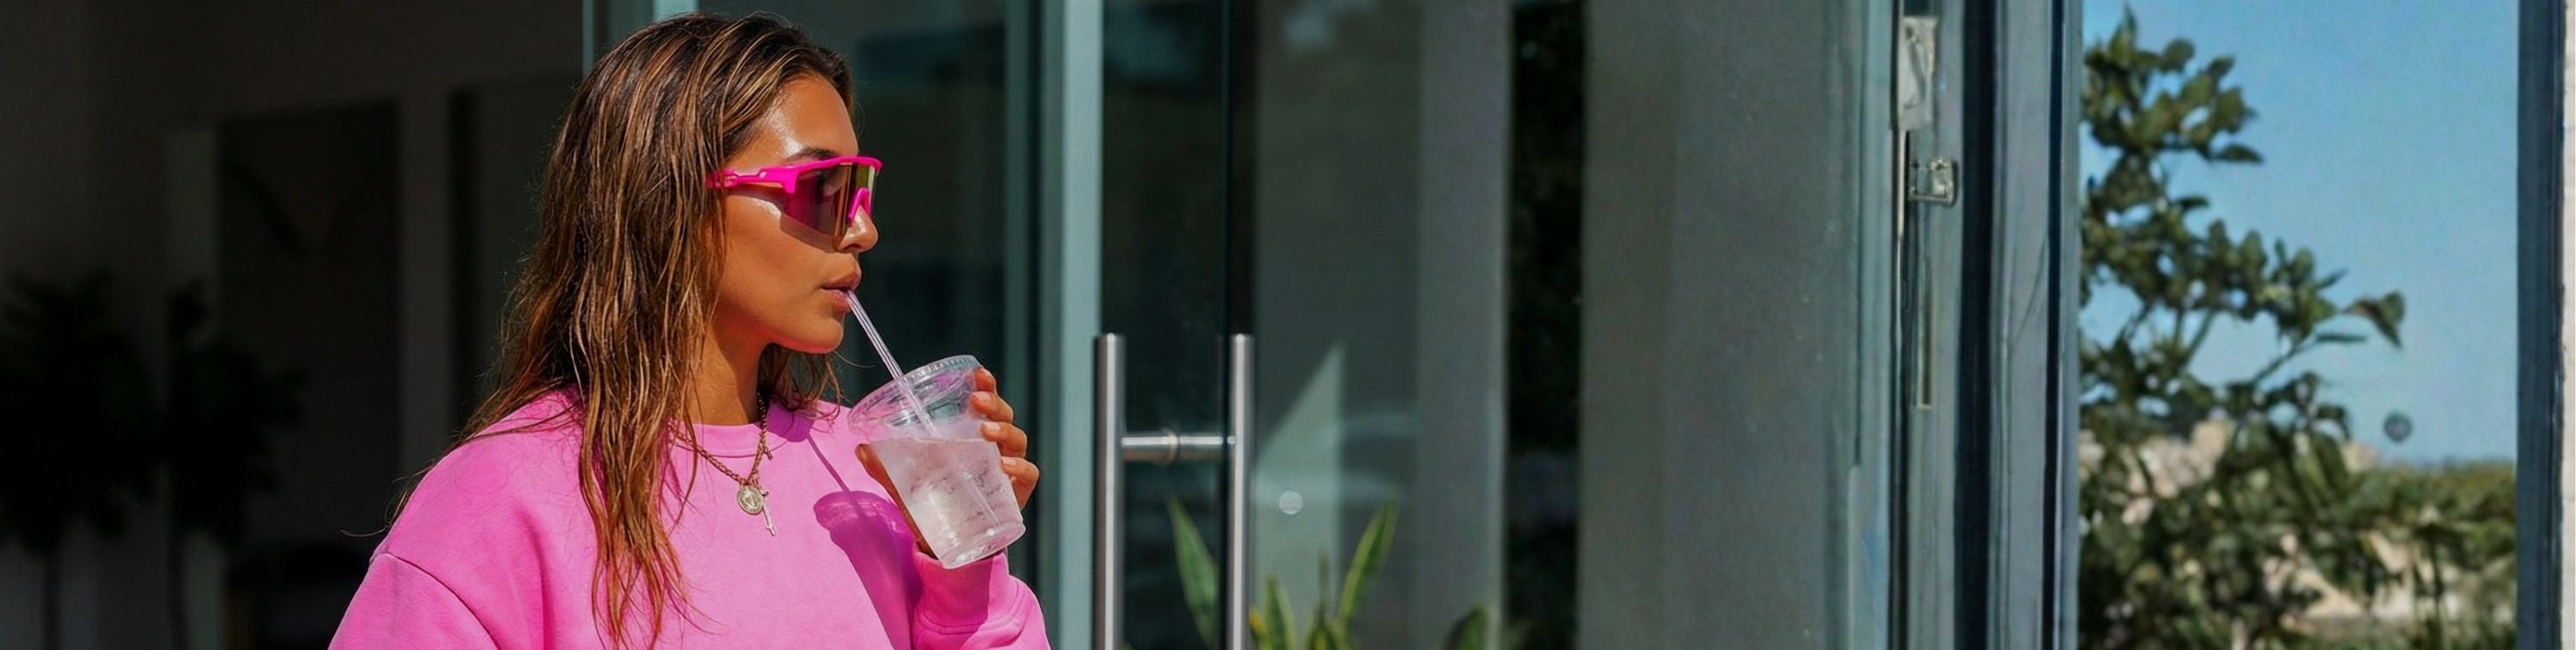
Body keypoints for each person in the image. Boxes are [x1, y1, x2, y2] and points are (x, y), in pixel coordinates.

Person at [328, 12, 1046, 649]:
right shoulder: (500, 500)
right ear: (675, 201)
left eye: (862, 190)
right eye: (823, 187)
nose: (863, 228)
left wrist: (962, 569)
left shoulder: (872, 470)